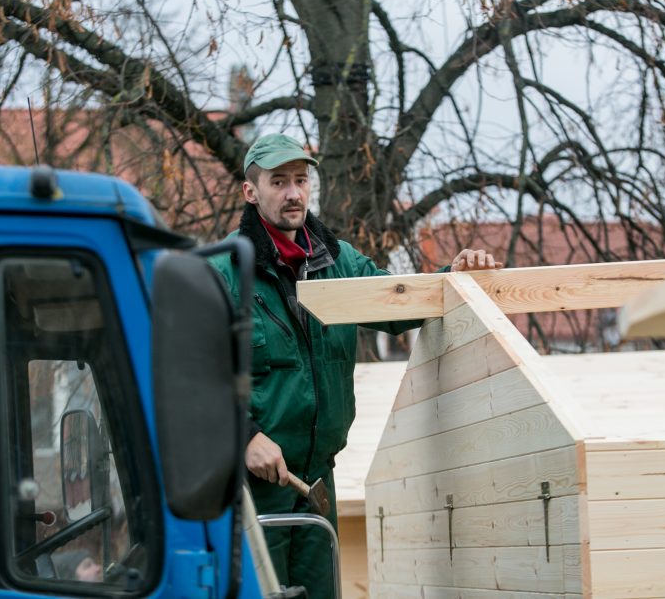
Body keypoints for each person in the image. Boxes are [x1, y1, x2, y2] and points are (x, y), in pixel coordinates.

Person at [208, 133, 501, 597]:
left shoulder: (337, 261)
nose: (292, 193)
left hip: (318, 482)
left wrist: (455, 275)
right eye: (278, 181)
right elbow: (187, 375)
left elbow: (401, 302)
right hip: (249, 489)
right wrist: (243, 437)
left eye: (301, 180)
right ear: (251, 191)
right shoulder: (223, 271)